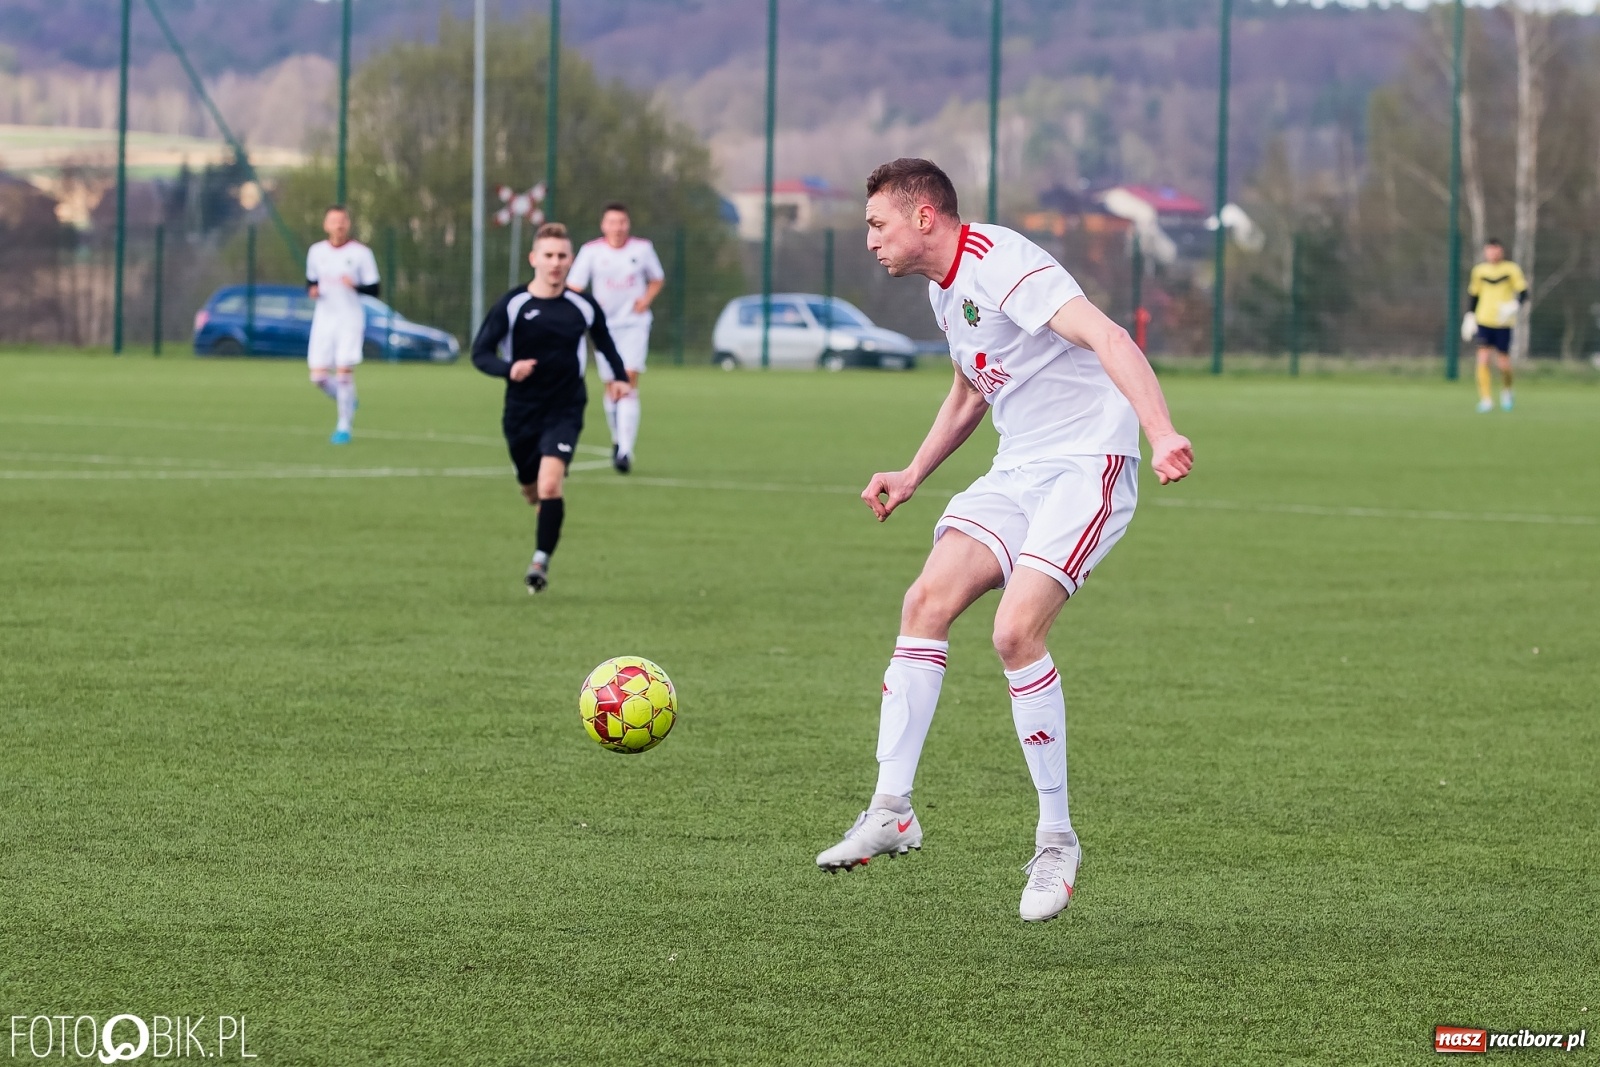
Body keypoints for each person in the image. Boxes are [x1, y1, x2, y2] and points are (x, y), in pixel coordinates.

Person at [814, 158, 1194, 923]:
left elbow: (1109, 334)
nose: (871, 240)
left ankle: (1057, 841)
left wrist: (1160, 431)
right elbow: (970, 388)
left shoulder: (1002, 263)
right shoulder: (943, 288)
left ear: (925, 216)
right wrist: (913, 471)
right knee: (924, 601)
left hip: (1087, 461)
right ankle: (892, 809)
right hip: (1020, 466)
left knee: (1015, 631)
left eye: (878, 224)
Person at [471, 222, 634, 593]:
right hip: (521, 410)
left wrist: (619, 377)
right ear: (534, 259)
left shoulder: (582, 305)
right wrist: (509, 369)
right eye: (549, 255)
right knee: (532, 490)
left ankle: (539, 562)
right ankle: (542, 509)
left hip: (565, 406)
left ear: (570, 260)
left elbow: (605, 343)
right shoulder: (513, 304)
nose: (556, 263)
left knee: (549, 484)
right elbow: (480, 353)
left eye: (562, 256)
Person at [567, 202, 664, 473]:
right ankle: (618, 437)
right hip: (604, 328)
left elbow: (657, 279)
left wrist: (646, 300)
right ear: (603, 225)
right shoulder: (591, 251)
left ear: (628, 224)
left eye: (622, 222)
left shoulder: (642, 249)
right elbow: (574, 286)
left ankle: (625, 451)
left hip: (634, 324)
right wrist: (589, 305)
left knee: (628, 380)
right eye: (612, 222)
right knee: (612, 386)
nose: (617, 227)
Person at [305, 205, 380, 444]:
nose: (339, 225)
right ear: (326, 225)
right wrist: (312, 291)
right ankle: (346, 398)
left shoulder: (361, 253)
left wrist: (355, 286)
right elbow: (311, 281)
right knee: (318, 378)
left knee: (344, 373)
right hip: (324, 320)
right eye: (334, 221)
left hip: (350, 320)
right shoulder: (316, 252)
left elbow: (375, 288)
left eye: (342, 220)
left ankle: (343, 426)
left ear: (348, 224)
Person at [1468, 239, 1528, 413]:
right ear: (1485, 252)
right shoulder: (1479, 271)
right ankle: (1486, 399)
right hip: (1484, 320)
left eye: (1496, 250)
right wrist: (1470, 315)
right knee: (1483, 358)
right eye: (1490, 250)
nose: (1493, 254)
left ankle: (1507, 391)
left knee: (1503, 363)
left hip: (1503, 322)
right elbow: (1474, 294)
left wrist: (1515, 305)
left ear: (1501, 251)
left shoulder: (1511, 269)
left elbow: (1524, 292)